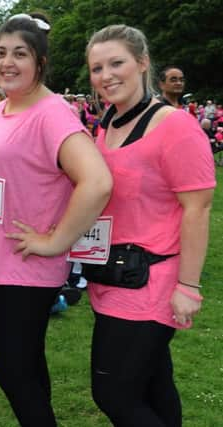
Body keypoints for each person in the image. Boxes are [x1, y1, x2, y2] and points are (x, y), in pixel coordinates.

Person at [0, 14, 112, 426]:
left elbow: (97, 181)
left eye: (20, 54)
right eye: (0, 53)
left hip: (29, 264)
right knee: (27, 365)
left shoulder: (53, 113)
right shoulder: (0, 109)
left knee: (11, 368)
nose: (7, 62)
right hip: (0, 258)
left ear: (41, 63)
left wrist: (56, 241)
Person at [86, 25, 215, 426]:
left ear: (142, 63)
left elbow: (197, 208)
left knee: (113, 393)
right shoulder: (108, 124)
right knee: (154, 385)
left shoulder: (175, 125)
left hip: (153, 281)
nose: (106, 75)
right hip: (111, 274)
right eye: (96, 67)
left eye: (116, 63)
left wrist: (188, 286)